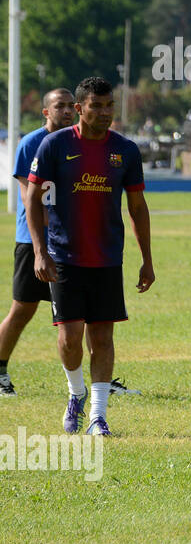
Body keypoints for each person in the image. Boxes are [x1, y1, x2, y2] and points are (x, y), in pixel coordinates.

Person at [25, 77, 154, 437]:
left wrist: (147, 258)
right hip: (64, 257)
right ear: (79, 109)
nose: (104, 113)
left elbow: (138, 206)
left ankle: (98, 416)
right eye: (96, 106)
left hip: (108, 258)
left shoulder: (126, 151)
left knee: (102, 338)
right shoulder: (55, 145)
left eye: (109, 105)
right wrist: (40, 252)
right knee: (69, 339)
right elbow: (32, 200)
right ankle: (75, 393)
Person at [0, 89, 76, 396]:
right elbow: (30, 200)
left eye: (72, 106)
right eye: (61, 106)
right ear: (46, 112)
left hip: (71, 242)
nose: (68, 111)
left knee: (81, 312)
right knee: (22, 310)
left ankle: (99, 381)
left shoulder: (78, 143)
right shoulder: (31, 143)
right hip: (34, 243)